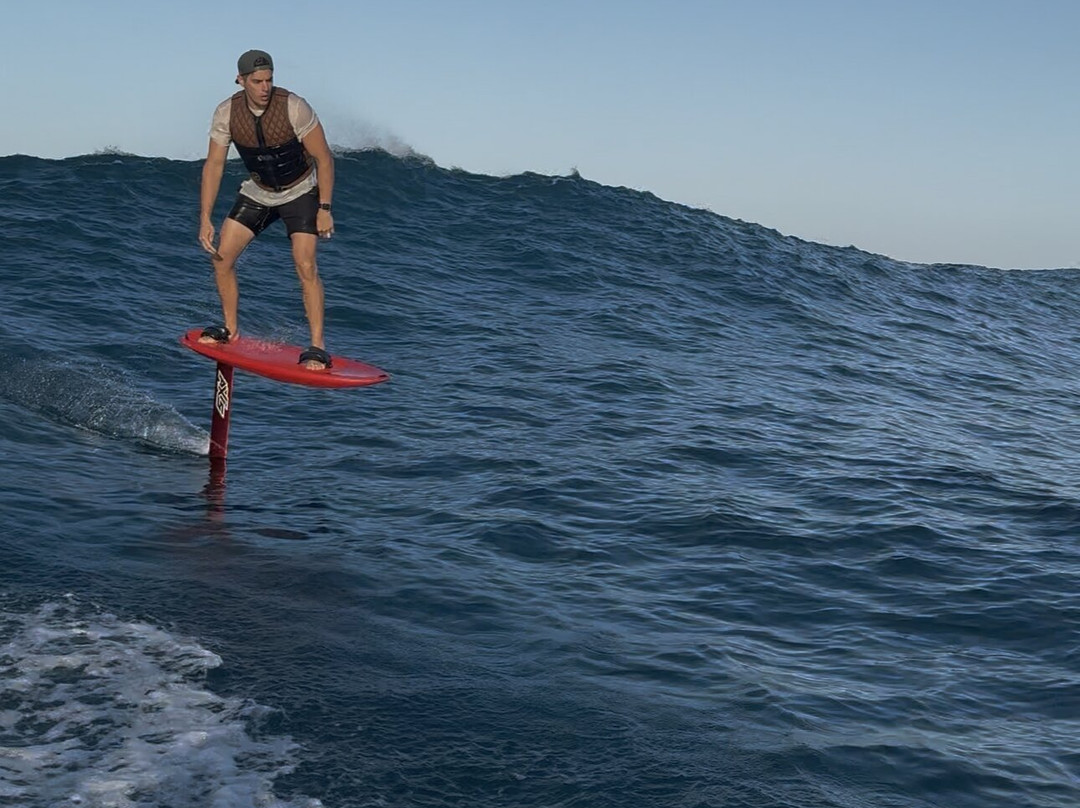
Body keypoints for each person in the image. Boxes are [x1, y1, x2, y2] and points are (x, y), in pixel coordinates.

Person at [197, 49, 336, 370]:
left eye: (269, 80)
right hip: (259, 191)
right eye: (257, 81)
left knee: (305, 264)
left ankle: (317, 345)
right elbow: (214, 165)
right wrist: (204, 217)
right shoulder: (226, 114)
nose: (264, 87)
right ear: (240, 80)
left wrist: (325, 206)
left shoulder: (294, 107)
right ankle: (230, 330)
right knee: (222, 259)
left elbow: (324, 157)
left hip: (300, 191)